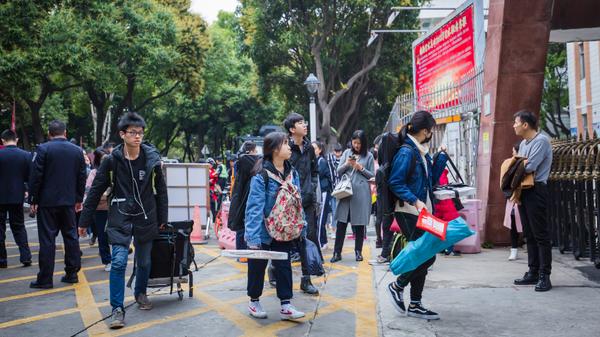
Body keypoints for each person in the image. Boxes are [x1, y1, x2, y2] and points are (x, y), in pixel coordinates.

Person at [78, 112, 168, 329]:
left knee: (145, 261)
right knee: (118, 262)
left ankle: (140, 292)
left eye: (140, 133)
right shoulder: (111, 161)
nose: (137, 137)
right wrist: (83, 221)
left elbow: (161, 191)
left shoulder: (152, 159)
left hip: (146, 215)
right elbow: (95, 191)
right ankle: (117, 308)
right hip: (120, 215)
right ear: (122, 134)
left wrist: (163, 218)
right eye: (132, 133)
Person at [387, 110, 448, 320]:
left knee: (424, 253)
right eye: (431, 130)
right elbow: (395, 182)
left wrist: (441, 157)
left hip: (421, 210)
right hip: (408, 210)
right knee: (425, 254)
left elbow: (430, 179)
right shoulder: (407, 152)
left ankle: (415, 303)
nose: (432, 134)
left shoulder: (420, 150)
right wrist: (414, 200)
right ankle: (398, 286)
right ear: (425, 131)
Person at [244, 132, 306, 320]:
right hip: (263, 231)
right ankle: (254, 301)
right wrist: (253, 239)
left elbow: (297, 201)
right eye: (285, 144)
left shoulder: (291, 172)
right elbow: (254, 208)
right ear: (274, 149)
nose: (289, 147)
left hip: (283, 229)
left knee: (283, 266)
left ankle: (286, 305)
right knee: (257, 266)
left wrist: (301, 225)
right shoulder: (262, 174)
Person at [28, 120, 87, 289]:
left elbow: (36, 176)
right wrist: (78, 199)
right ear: (65, 133)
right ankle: (72, 273)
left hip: (47, 202)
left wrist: (33, 199)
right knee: (71, 237)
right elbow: (81, 176)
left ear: (49, 133)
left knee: (47, 240)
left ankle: (45, 278)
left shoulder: (43, 149)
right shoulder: (77, 151)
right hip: (68, 201)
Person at [512, 110, 553, 292]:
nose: (514, 125)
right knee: (529, 233)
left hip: (536, 190)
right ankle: (533, 271)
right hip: (524, 190)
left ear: (525, 125)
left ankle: (545, 275)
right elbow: (519, 165)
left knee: (540, 234)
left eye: (516, 122)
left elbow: (528, 166)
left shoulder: (541, 141)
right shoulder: (523, 144)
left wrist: (517, 165)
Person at [284, 112, 319, 295]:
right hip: (288, 203)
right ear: (292, 129)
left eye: (304, 122)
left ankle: (306, 280)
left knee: (306, 240)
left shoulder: (309, 148)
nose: (304, 125)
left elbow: (314, 171)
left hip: (307, 201)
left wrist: (311, 189)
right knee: (284, 240)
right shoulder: (285, 148)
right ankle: (275, 271)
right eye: (300, 123)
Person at [330, 130, 374, 263]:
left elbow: (372, 175)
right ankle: (337, 253)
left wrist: (360, 168)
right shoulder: (346, 153)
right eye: (354, 143)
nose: (356, 145)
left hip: (361, 194)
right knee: (341, 224)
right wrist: (347, 164)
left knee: (360, 224)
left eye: (359, 143)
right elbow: (338, 171)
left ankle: (358, 252)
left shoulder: (369, 156)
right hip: (346, 193)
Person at [0, 129, 32, 268]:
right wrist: (26, 191)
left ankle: (2, 260)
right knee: (19, 227)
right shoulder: (26, 155)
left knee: (0, 228)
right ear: (17, 139)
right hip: (17, 195)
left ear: (2, 140)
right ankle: (25, 256)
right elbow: (29, 177)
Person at [228, 141, 260, 260]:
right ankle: (242, 255)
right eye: (255, 151)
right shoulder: (244, 161)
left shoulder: (240, 162)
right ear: (250, 151)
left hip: (240, 197)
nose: (257, 154)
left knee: (242, 226)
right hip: (242, 199)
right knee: (242, 226)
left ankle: (242, 254)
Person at [84, 148, 112, 271]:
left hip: (114, 208)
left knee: (117, 232)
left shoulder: (113, 171)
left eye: (106, 156)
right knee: (102, 235)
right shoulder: (93, 173)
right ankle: (107, 260)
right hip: (100, 209)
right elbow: (90, 192)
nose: (105, 159)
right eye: (102, 158)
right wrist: (105, 195)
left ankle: (121, 252)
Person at [505, 143, 523, 261]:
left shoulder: (524, 163)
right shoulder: (510, 163)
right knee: (513, 225)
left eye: (514, 151)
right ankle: (514, 249)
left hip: (522, 197)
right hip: (512, 198)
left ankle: (520, 247)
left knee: (525, 224)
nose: (512, 154)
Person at [312, 141, 332, 249]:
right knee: (319, 219)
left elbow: (318, 174)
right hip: (319, 193)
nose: (312, 150)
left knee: (320, 220)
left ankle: (319, 243)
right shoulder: (315, 161)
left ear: (319, 150)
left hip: (323, 192)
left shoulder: (321, 161)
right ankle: (323, 241)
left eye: (314, 148)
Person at [327, 144, 343, 239]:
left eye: (339, 151)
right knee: (334, 210)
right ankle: (334, 229)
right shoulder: (331, 160)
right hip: (334, 189)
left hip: (341, 189)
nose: (337, 153)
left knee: (337, 211)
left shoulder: (335, 160)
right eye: (336, 151)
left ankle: (336, 230)